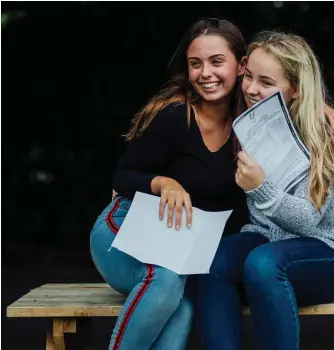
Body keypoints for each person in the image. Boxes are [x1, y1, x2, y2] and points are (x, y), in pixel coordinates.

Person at [195, 31, 334, 350]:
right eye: (249, 76)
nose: (251, 88)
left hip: (331, 252)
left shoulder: (329, 132)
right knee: (210, 261)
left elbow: (307, 222)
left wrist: (261, 187)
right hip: (266, 241)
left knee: (262, 264)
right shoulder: (253, 120)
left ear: (297, 91)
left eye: (266, 82)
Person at [89, 18, 249, 350]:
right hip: (123, 229)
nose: (205, 73)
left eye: (217, 61)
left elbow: (292, 87)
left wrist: (320, 106)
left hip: (179, 248)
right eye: (195, 64)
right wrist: (164, 183)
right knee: (165, 278)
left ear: (241, 64)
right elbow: (124, 177)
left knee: (183, 307)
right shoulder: (176, 116)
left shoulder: (251, 125)